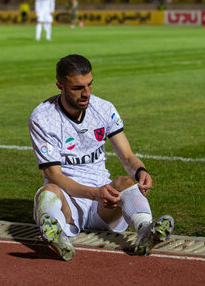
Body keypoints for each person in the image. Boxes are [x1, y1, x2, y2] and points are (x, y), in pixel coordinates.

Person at [28, 54, 174, 261]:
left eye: (89, 85)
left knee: (125, 182)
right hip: (69, 198)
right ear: (59, 85)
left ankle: (145, 231)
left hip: (103, 203)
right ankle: (57, 234)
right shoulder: (43, 117)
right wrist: (94, 193)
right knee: (47, 191)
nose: (86, 93)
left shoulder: (103, 109)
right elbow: (54, 175)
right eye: (77, 88)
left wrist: (141, 171)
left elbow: (127, 156)